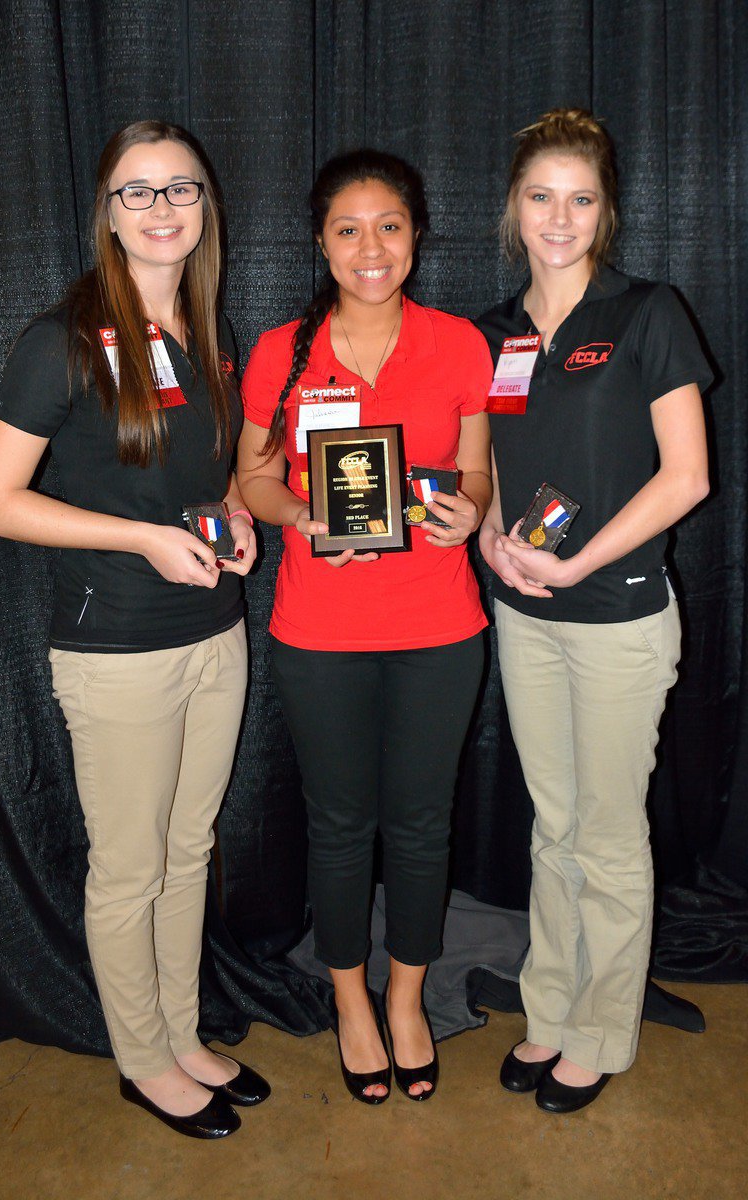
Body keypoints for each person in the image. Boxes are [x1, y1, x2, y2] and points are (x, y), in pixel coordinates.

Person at [0, 120, 269, 1139]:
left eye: (180, 188)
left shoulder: (208, 333)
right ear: (106, 213)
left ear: (205, 208)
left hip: (215, 633)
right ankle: (142, 1060)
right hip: (118, 650)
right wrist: (141, 540)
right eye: (136, 191)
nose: (160, 207)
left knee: (189, 849)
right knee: (132, 866)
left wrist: (233, 518)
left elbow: (211, 476)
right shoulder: (60, 340)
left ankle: (180, 1034)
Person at [237, 149, 493, 1103]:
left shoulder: (459, 344)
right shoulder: (281, 352)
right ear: (321, 242)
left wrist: (469, 510)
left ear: (416, 234)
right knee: (339, 826)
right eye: (348, 229)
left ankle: (408, 999)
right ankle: (351, 999)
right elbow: (253, 478)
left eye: (389, 225)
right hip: (320, 630)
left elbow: (478, 472)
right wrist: (303, 517)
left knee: (423, 825)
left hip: (439, 626)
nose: (370, 247)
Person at [477, 108, 711, 1113]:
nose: (559, 218)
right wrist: (490, 538)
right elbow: (489, 466)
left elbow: (685, 477)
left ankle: (600, 1032)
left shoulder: (647, 312)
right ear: (513, 208)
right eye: (541, 197)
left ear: (605, 210)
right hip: (525, 614)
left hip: (617, 615)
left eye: (580, 199)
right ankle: (549, 1008)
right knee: (553, 824)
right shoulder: (494, 333)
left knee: (607, 836)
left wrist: (580, 564)